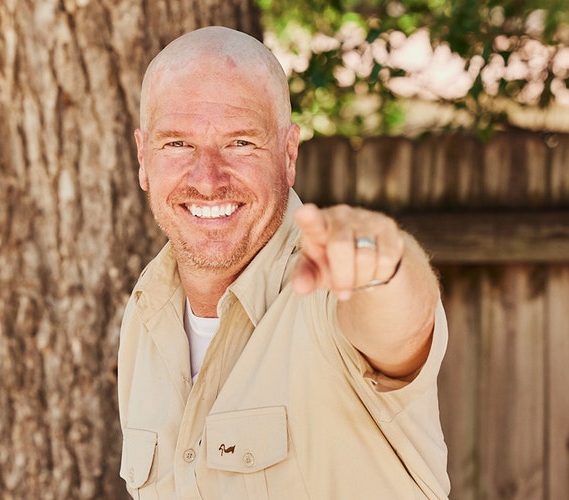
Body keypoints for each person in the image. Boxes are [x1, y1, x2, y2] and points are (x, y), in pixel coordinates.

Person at [118, 26, 450, 499]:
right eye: (177, 144)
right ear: (142, 158)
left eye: (240, 143)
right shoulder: (145, 316)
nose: (208, 179)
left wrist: (384, 267)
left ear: (288, 154)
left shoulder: (329, 290)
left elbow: (401, 324)